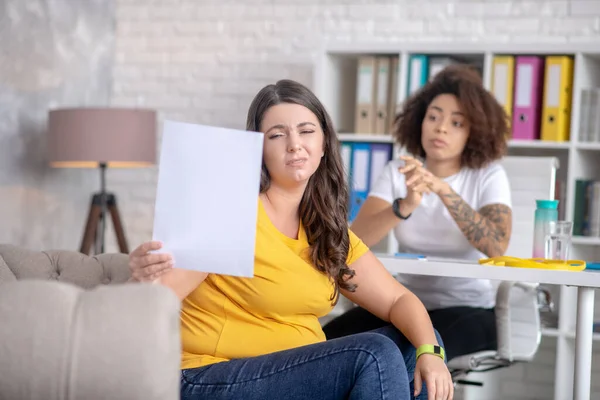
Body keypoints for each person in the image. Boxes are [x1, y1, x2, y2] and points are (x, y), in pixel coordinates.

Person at [128, 79, 454, 400]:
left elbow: (399, 300)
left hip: (294, 373)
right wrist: (146, 277)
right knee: (373, 353)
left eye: (306, 131)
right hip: (208, 376)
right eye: (277, 135)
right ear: (257, 149)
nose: (294, 144)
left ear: (324, 144)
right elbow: (152, 304)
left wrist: (431, 352)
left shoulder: (326, 229)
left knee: (420, 343)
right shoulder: (228, 211)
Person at [323, 64, 513, 363]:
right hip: (407, 305)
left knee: (412, 357)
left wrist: (443, 190)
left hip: (470, 310)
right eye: (433, 117)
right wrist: (403, 207)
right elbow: (354, 241)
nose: (441, 128)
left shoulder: (488, 176)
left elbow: (497, 244)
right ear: (419, 121)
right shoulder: (399, 171)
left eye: (456, 123)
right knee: (325, 343)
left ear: (474, 131)